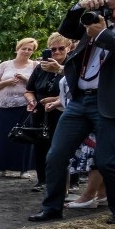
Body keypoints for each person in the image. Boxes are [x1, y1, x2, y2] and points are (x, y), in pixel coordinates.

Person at [30, 0, 115, 225]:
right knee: (56, 156)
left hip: (111, 102)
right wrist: (80, 7)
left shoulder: (113, 30)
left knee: (107, 159)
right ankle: (52, 208)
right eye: (111, 8)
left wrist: (102, 34)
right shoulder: (97, 24)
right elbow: (66, 30)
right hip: (80, 100)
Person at [23, 33, 71, 192]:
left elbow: (75, 89)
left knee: (61, 147)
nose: (56, 52)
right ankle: (42, 179)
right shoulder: (40, 67)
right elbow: (29, 90)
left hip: (62, 112)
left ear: (68, 48)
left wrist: (56, 99)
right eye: (53, 49)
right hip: (40, 113)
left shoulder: (72, 66)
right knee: (40, 147)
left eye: (61, 48)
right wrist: (31, 100)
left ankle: (68, 181)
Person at [0, 37, 38, 178]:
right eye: (24, 48)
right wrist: (7, 82)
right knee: (1, 137)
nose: (26, 51)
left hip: (24, 107)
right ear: (18, 49)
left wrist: (26, 80)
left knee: (23, 138)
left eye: (30, 49)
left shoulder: (35, 65)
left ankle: (24, 169)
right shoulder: (5, 65)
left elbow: (39, 84)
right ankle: (0, 167)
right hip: (3, 106)